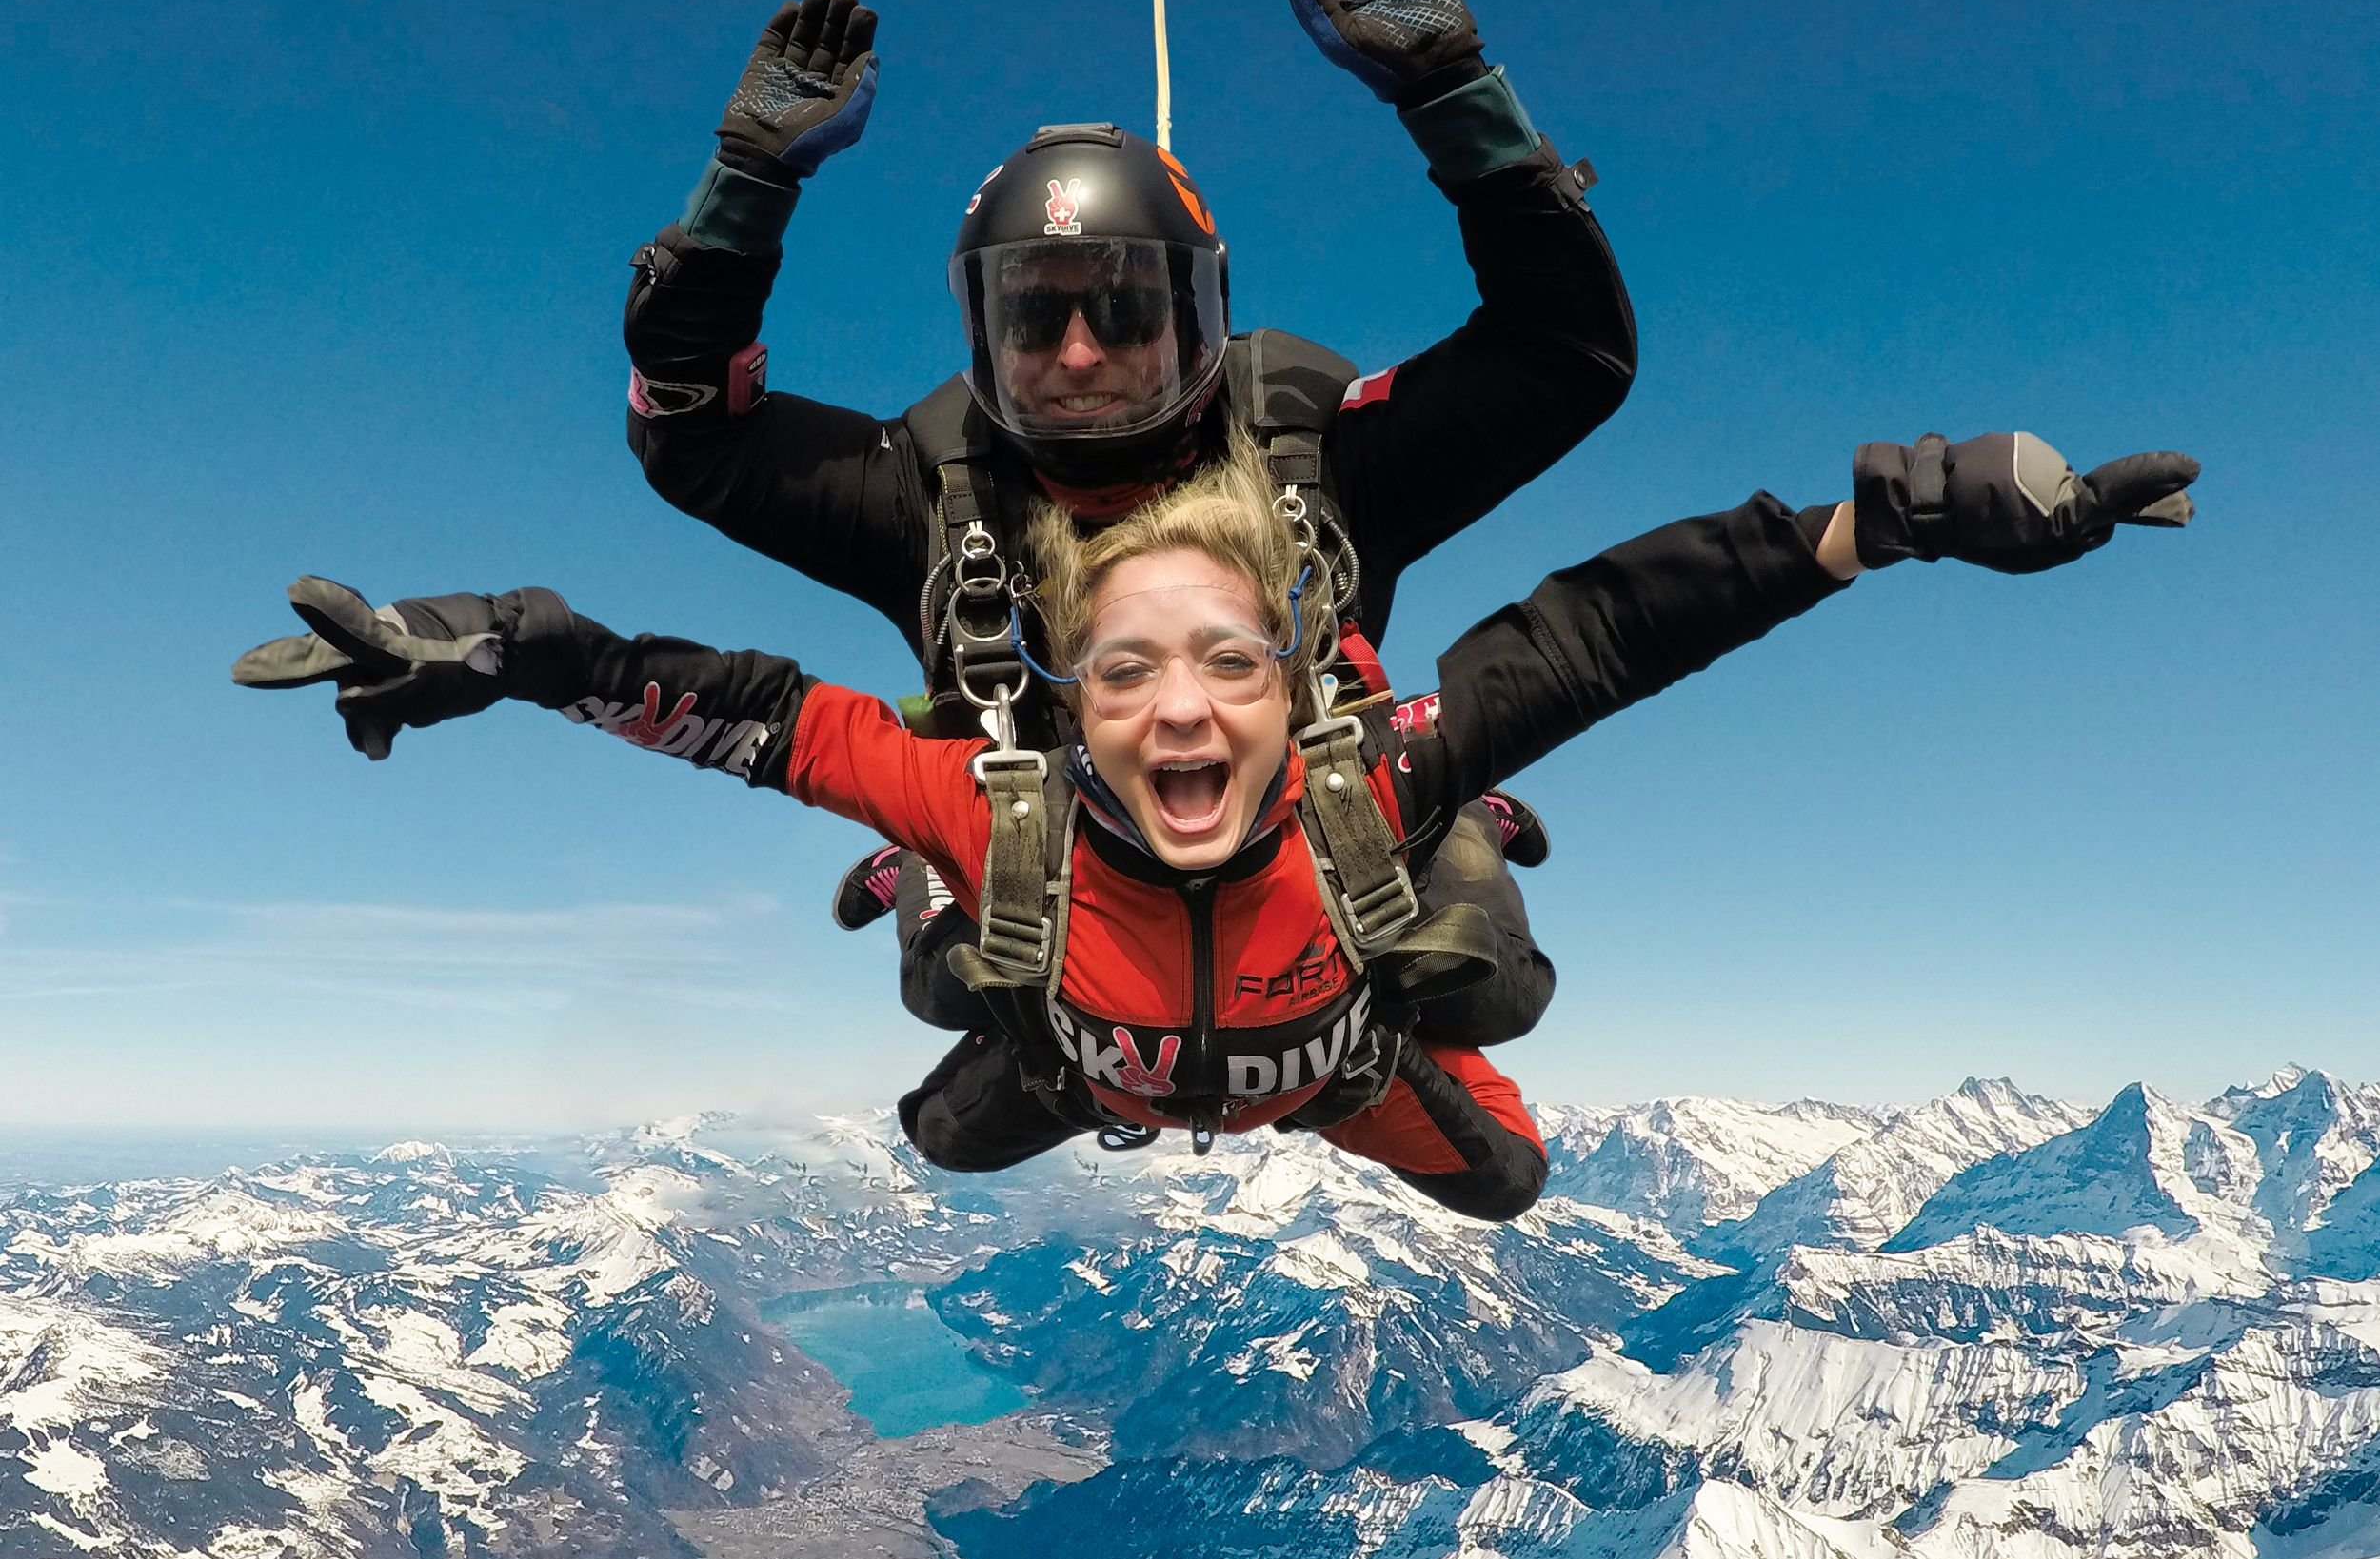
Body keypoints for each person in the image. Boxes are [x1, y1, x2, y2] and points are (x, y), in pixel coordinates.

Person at [234, 425, 2199, 1221]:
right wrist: (521, 648)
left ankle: (1434, 911)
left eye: (1229, 663)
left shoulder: (1376, 771)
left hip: (1331, 1062)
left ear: (1297, 681)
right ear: (1065, 699)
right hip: (1083, 1048)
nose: (1180, 707)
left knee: (1508, 1172)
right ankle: (947, 924)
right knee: (942, 1118)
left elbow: (1610, 626)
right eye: (1125, 671)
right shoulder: (984, 790)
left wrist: (1891, 519)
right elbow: (738, 710)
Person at [617, 0, 1636, 1065]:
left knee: (1480, 986)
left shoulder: (1309, 450)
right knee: (970, 993)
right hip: (1045, 840)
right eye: (1032, 317)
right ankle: (943, 859)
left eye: (1122, 308)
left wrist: (1459, 101)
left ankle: (1441, 806)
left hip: (1310, 816)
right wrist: (744, 187)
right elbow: (691, 433)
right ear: (980, 335)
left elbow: (1565, 357)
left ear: (1199, 317)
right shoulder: (930, 491)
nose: (1079, 354)